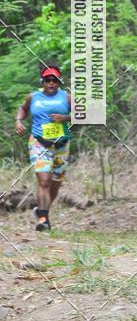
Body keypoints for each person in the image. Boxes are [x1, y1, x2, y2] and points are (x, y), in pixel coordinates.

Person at [15, 64, 72, 232]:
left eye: (55, 80)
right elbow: (23, 109)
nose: (51, 83)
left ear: (59, 82)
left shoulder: (67, 97)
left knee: (55, 183)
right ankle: (43, 219)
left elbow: (84, 115)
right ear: (43, 81)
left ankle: (41, 210)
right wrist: (19, 121)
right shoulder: (33, 97)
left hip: (61, 145)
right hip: (39, 143)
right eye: (48, 80)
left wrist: (65, 117)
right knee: (44, 181)